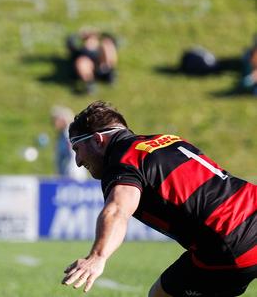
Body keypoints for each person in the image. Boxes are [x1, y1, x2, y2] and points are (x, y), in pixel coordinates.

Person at [61, 101, 257, 296]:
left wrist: (97, 256)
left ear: (97, 140)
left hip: (231, 240)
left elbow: (118, 210)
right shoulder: (167, 139)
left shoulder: (123, 160)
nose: (77, 162)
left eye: (77, 149)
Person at [50, 106, 88, 181]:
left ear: (62, 119)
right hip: (66, 173)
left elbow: (73, 153)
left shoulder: (69, 134)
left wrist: (71, 173)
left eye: (55, 120)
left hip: (72, 174)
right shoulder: (62, 135)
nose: (53, 123)